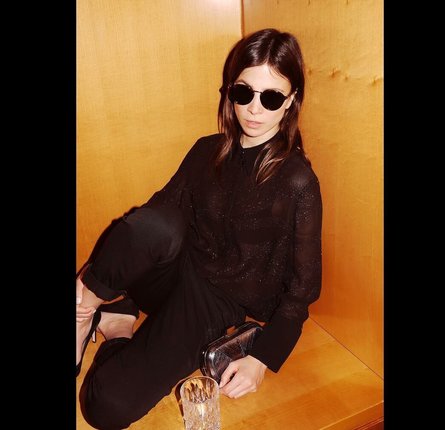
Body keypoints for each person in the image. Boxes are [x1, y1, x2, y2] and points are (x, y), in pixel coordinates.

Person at [76, 28, 322, 430]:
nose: (254, 109)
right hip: (172, 272)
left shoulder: (297, 181)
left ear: (292, 100)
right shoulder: (207, 149)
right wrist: (94, 286)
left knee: (105, 408)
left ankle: (118, 324)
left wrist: (262, 358)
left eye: (271, 97)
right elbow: (153, 223)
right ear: (230, 91)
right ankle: (83, 309)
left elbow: (303, 291)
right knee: (155, 221)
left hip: (214, 301)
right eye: (244, 92)